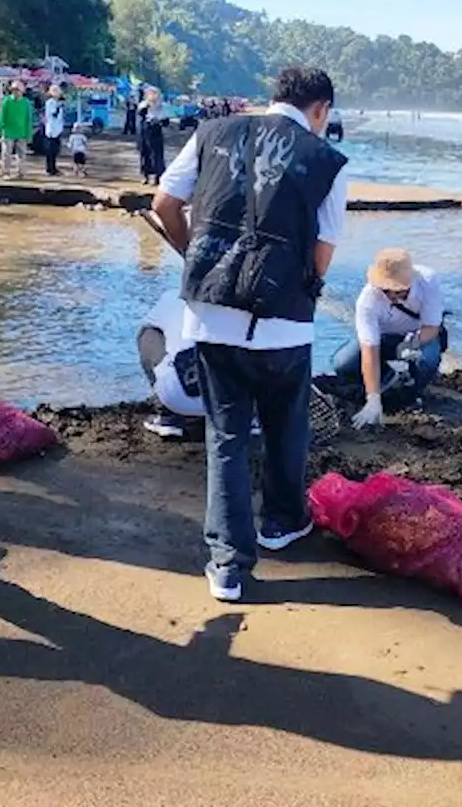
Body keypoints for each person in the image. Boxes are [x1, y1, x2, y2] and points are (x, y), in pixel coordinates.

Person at [152, 66, 348, 603]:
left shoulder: (212, 132)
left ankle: (228, 566)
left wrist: (194, 256)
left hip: (212, 318)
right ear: (321, 109)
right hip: (285, 321)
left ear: (274, 97)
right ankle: (282, 523)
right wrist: (302, 287)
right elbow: (323, 251)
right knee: (287, 425)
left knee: (227, 436)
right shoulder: (325, 160)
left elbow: (164, 204)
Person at [336, 248, 445, 428]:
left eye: (397, 290)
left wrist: (411, 343)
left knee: (427, 360)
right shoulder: (368, 299)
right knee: (342, 363)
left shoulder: (428, 281)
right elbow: (369, 349)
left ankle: (411, 394)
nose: (391, 295)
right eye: (386, 290)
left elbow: (432, 328)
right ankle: (380, 383)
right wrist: (373, 399)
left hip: (418, 336)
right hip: (384, 338)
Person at [138, 291, 205, 438]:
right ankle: (251, 418)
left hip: (177, 399)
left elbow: (148, 323)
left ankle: (168, 417)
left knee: (147, 332)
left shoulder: (172, 296)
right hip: (233, 402)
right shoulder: (235, 297)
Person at [0, 80, 32, 179]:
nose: (16, 92)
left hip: (22, 132)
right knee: (6, 154)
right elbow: (1, 117)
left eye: (18, 90)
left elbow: (28, 120)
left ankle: (21, 173)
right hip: (8, 131)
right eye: (14, 90)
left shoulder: (26, 103)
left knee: (22, 154)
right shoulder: (7, 101)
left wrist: (29, 134)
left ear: (22, 91)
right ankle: (6, 173)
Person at [140, 87, 167, 184]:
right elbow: (140, 113)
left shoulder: (161, 106)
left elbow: (165, 120)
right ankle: (145, 176)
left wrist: (159, 120)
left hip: (156, 131)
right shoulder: (144, 104)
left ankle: (158, 176)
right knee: (145, 153)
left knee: (157, 155)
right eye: (150, 93)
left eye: (154, 94)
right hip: (145, 130)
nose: (153, 96)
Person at [43, 85, 65, 176]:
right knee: (51, 151)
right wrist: (59, 106)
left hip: (58, 129)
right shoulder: (50, 102)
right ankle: (50, 169)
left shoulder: (57, 102)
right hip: (52, 130)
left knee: (56, 150)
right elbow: (53, 114)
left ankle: (54, 168)